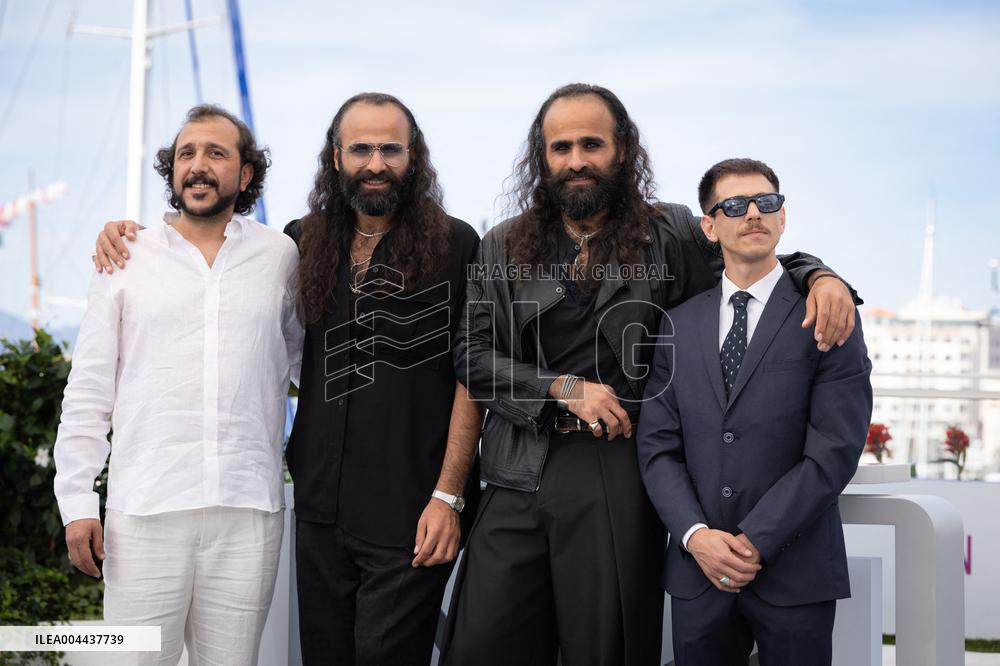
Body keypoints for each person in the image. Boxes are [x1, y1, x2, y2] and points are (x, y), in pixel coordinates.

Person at [443, 84, 860, 665]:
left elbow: (749, 248)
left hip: (616, 467)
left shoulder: (672, 232)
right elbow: (470, 356)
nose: (576, 160)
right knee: (482, 643)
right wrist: (562, 389)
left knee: (604, 647)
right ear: (542, 158)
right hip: (516, 465)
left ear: (623, 150)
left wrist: (820, 276)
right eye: (560, 147)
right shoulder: (503, 243)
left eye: (593, 143)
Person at [92, 92, 483, 666]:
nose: (375, 162)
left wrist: (448, 496)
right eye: (360, 149)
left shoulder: (458, 245)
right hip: (320, 514)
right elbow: (278, 351)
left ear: (413, 157)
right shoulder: (302, 241)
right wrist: (129, 232)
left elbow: (473, 378)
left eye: (390, 149)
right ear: (335, 156)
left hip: (412, 515)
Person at [55, 104, 301, 665]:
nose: (198, 165)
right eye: (187, 153)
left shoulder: (279, 257)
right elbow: (89, 391)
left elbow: (306, 364)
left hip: (248, 514)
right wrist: (76, 502)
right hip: (144, 513)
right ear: (171, 171)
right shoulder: (125, 256)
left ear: (245, 174)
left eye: (216, 153)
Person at [636, 158, 873, 666]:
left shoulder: (827, 313)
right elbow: (657, 448)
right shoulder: (676, 326)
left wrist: (755, 542)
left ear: (782, 217)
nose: (753, 214)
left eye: (766, 202)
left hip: (796, 569)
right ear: (709, 224)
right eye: (734, 205)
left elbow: (835, 450)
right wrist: (697, 536)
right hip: (698, 573)